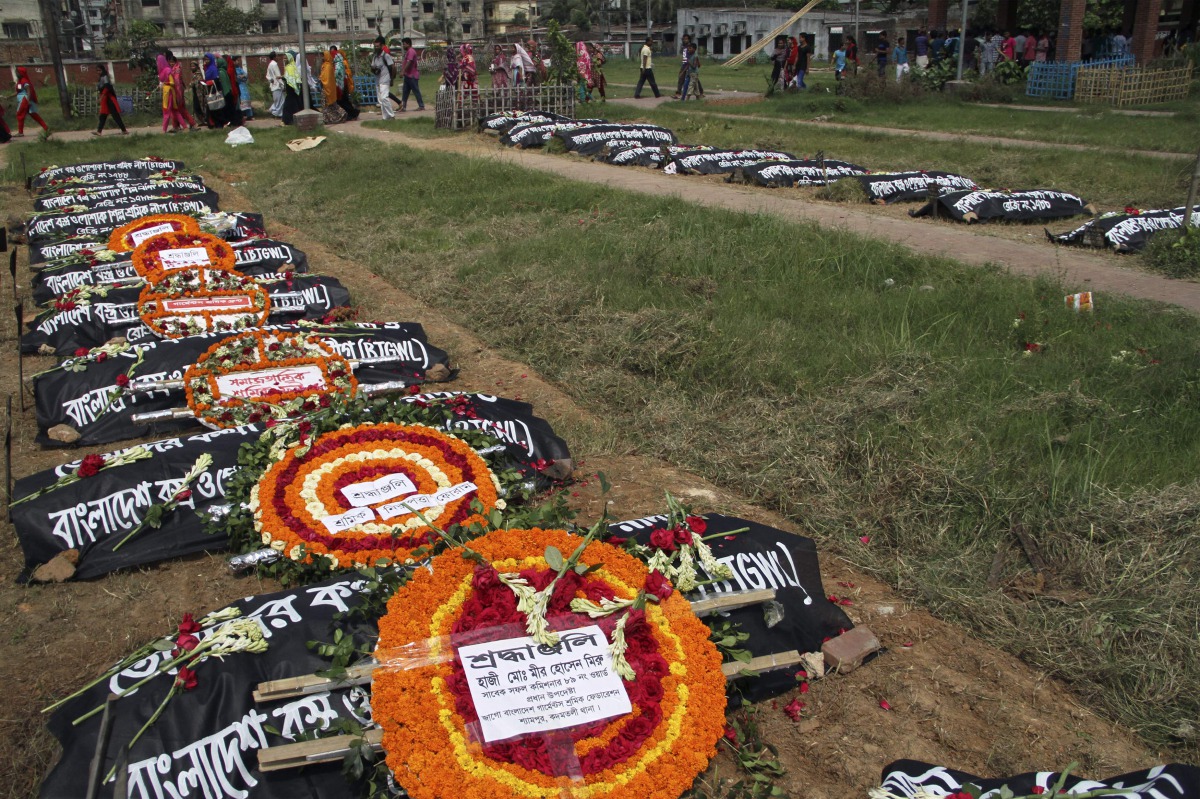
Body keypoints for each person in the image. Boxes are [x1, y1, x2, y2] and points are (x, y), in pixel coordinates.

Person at [93, 64, 127, 136]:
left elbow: (107, 87)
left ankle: (124, 130)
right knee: (103, 115)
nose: (98, 72)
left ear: (103, 70)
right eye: (97, 71)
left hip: (109, 99)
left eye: (99, 70)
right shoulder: (101, 78)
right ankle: (99, 131)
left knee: (115, 115)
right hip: (105, 99)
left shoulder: (105, 77)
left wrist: (101, 97)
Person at [14, 67, 48, 137]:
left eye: (17, 72)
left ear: (20, 73)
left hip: (24, 99)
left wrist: (28, 101)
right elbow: (19, 91)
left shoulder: (24, 80)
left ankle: (20, 132)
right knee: (33, 114)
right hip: (22, 99)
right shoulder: (20, 81)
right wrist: (9, 96)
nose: (16, 73)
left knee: (20, 114)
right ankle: (46, 127)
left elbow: (28, 91)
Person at [168, 54, 198, 130]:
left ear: (175, 62)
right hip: (174, 91)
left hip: (178, 91)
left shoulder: (177, 69)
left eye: (172, 62)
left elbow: (177, 81)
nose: (171, 63)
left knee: (180, 109)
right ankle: (176, 126)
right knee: (175, 109)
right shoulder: (172, 69)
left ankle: (192, 123)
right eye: (170, 62)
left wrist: (178, 95)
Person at [332, 46, 360, 121]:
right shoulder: (341, 62)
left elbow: (340, 74)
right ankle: (351, 113)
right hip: (343, 84)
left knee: (343, 101)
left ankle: (353, 113)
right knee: (344, 101)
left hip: (342, 85)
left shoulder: (341, 64)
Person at [372, 36, 396, 120]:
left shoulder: (386, 56)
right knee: (381, 100)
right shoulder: (374, 56)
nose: (376, 48)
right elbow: (372, 67)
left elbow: (393, 67)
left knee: (384, 97)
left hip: (385, 80)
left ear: (382, 46)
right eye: (375, 46)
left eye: (378, 46)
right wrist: (374, 69)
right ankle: (385, 117)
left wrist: (392, 79)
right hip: (378, 80)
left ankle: (391, 115)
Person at [157, 54, 181, 133]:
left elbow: (172, 82)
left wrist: (165, 83)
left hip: (169, 93)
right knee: (174, 112)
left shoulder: (167, 70)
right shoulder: (164, 70)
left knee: (166, 112)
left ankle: (164, 130)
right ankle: (184, 127)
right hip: (167, 92)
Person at [399, 38, 424, 111]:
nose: (403, 46)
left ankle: (421, 105)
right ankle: (403, 106)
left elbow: (409, 62)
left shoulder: (411, 51)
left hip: (412, 75)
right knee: (405, 92)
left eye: (404, 44)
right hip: (408, 75)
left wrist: (403, 71)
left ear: (408, 44)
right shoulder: (408, 52)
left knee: (416, 90)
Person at [281, 50, 303, 124]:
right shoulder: (291, 66)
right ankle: (290, 120)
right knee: (293, 105)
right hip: (291, 89)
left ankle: (288, 120)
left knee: (289, 106)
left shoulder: (290, 67)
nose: (284, 60)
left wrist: (284, 78)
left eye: (285, 58)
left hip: (291, 89)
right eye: (283, 59)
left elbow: (291, 78)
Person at [234, 55, 253, 120]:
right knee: (241, 100)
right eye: (236, 60)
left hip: (243, 86)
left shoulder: (239, 69)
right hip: (239, 86)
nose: (238, 62)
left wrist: (243, 76)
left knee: (247, 99)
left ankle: (249, 115)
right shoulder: (233, 70)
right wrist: (241, 76)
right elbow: (237, 78)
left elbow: (245, 75)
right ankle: (242, 115)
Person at [266, 51, 284, 118]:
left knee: (277, 100)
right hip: (277, 85)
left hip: (273, 85)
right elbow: (278, 76)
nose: (278, 57)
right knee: (281, 101)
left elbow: (267, 76)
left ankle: (274, 111)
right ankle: (277, 113)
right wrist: (282, 84)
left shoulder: (270, 64)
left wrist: (271, 80)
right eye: (277, 56)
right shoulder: (274, 64)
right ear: (274, 57)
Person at [673, 32, 691, 98]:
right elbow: (684, 57)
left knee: (694, 79)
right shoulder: (684, 47)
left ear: (689, 39)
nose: (685, 40)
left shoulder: (690, 47)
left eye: (686, 39)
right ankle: (678, 92)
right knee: (680, 78)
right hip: (684, 64)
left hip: (689, 65)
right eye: (684, 39)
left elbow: (690, 58)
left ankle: (700, 92)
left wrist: (687, 66)